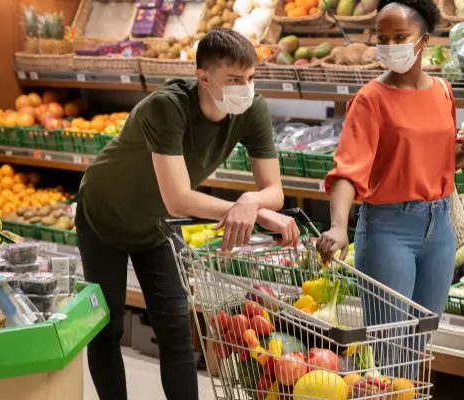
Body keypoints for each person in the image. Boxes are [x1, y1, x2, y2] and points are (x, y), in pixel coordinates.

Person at [76, 28, 300, 400]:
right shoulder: (167, 107)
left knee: (177, 331)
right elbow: (178, 199)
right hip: (104, 214)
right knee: (107, 327)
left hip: (157, 229)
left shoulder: (252, 110)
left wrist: (251, 202)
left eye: (249, 78)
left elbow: (273, 191)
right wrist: (252, 210)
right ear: (203, 77)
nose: (244, 87)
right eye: (233, 79)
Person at [315, 0, 464, 319]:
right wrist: (338, 227)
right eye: (382, 38)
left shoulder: (443, 91)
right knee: (390, 347)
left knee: (422, 342)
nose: (390, 46)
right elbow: (347, 171)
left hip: (440, 228)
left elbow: (433, 162)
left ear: (424, 39)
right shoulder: (369, 100)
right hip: (389, 229)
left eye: (400, 37)